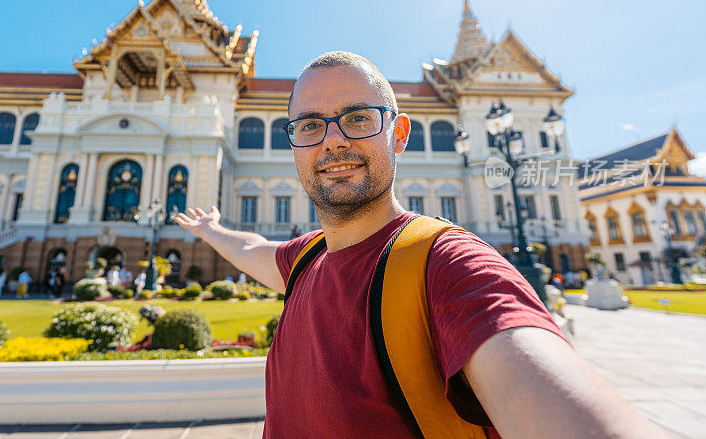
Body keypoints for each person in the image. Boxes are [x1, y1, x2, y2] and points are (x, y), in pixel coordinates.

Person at [175, 52, 663, 438]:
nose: (333, 142)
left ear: (400, 133)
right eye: (310, 126)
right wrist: (211, 230)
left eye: (358, 119)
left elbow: (532, 376)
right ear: (294, 145)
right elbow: (250, 249)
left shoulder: (446, 264)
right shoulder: (305, 259)